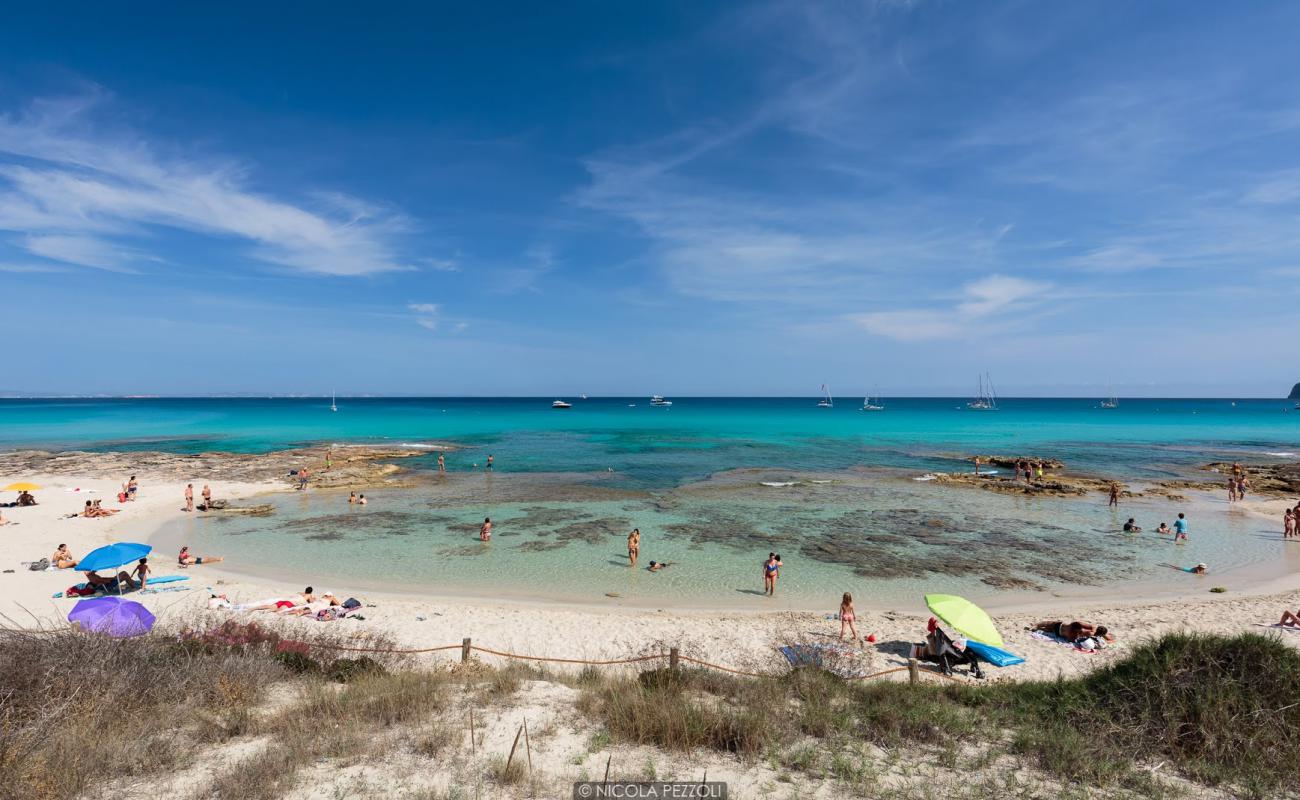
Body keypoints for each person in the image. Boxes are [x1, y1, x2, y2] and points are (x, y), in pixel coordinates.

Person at [1034, 620, 1115, 643]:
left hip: (1061, 624)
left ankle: (1036, 625)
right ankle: (1037, 628)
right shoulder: (1074, 633)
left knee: (1049, 623)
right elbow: (1070, 640)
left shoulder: (1091, 627)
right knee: (1048, 629)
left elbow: (1081, 623)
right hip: (1058, 632)